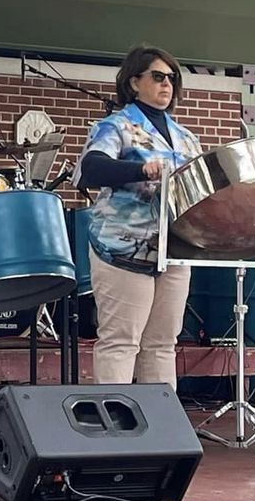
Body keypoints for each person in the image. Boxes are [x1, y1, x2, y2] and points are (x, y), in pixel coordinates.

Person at [74, 44, 202, 391]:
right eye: (158, 77)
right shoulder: (116, 126)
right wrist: (140, 168)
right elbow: (91, 168)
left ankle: (160, 433)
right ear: (134, 82)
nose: (167, 85)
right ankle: (114, 432)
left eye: (172, 79)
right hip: (123, 247)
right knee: (121, 342)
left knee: (162, 344)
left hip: (174, 248)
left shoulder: (187, 138)